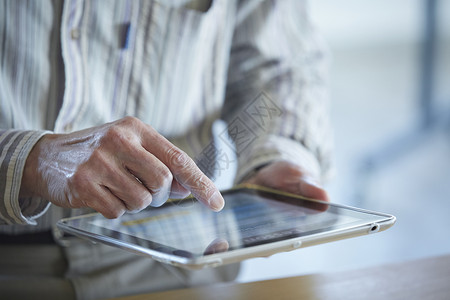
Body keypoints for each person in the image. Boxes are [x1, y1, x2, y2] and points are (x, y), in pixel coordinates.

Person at [0, 0, 333, 299]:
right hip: (14, 270)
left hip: (185, 260)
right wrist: (30, 161)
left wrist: (276, 154)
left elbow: (280, 69)